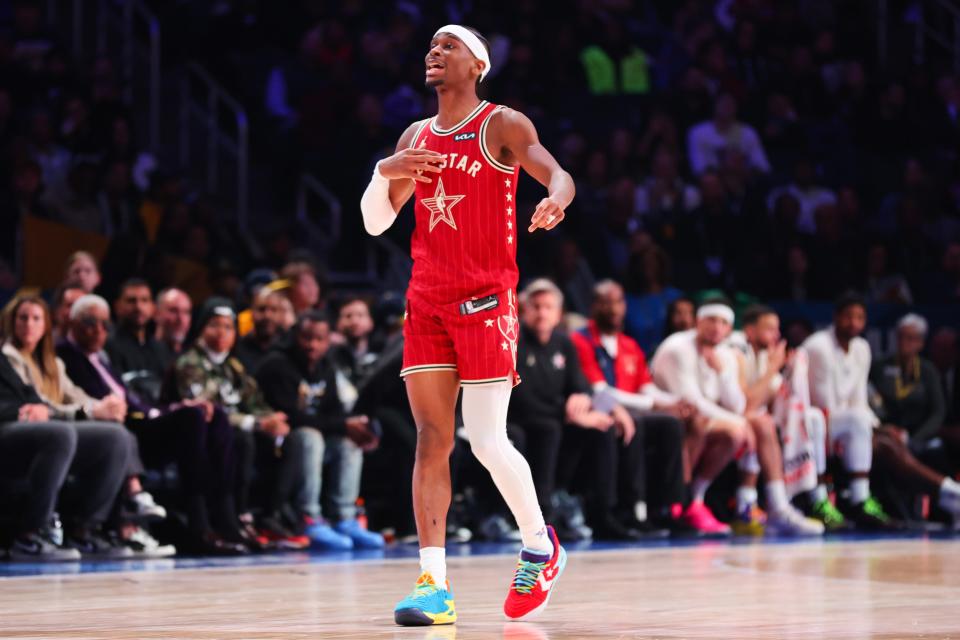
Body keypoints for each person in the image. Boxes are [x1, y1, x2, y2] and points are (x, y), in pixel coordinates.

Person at [360, 24, 575, 625]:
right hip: (426, 303)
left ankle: (539, 544)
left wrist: (557, 198)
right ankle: (434, 584)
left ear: (477, 64)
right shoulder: (415, 136)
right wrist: (386, 169)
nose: (434, 52)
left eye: (447, 46)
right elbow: (377, 222)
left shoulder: (502, 124)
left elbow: (558, 174)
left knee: (485, 440)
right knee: (432, 439)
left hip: (485, 301)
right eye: (431, 46)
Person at [58, 294, 246, 556]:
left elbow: (135, 403)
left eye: (104, 323)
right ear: (72, 322)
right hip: (118, 429)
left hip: (140, 421)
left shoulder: (100, 358)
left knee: (213, 415)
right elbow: (89, 401)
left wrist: (172, 409)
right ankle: (199, 524)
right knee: (192, 419)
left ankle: (225, 518)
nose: (99, 330)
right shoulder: (66, 355)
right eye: (91, 322)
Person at [0, 297, 135, 558]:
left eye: (36, 318)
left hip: (29, 422)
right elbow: (24, 403)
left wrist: (102, 407)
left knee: (115, 436)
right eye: (23, 318)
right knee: (59, 433)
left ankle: (85, 530)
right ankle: (30, 534)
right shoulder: (9, 354)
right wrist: (20, 410)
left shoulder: (48, 362)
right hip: (9, 424)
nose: (29, 325)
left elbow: (33, 395)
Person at [513, 279, 642, 540]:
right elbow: (521, 400)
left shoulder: (564, 344)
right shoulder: (515, 343)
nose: (542, 313)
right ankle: (543, 515)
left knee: (603, 427)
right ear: (524, 310)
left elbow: (584, 386)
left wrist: (596, 404)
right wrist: (571, 413)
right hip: (524, 419)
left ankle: (604, 513)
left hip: (560, 419)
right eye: (536, 306)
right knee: (549, 430)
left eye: (548, 307)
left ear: (559, 313)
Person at [172, 298, 304, 550]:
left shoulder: (233, 367)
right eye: (214, 325)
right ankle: (235, 515)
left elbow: (255, 401)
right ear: (201, 328)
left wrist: (272, 420)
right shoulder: (189, 363)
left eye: (228, 327)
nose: (222, 332)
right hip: (201, 438)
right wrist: (256, 423)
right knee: (243, 439)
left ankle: (270, 516)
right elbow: (205, 410)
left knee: (292, 439)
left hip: (237, 432)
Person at [568, 281, 691, 534]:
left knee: (670, 425)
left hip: (630, 412)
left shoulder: (629, 345)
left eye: (618, 301)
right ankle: (625, 509)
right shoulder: (580, 340)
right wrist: (654, 404)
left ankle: (666, 508)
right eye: (606, 302)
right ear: (594, 306)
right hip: (596, 411)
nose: (613, 308)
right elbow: (601, 390)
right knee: (632, 425)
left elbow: (645, 387)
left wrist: (671, 402)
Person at [255, 311, 384, 550]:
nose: (312, 345)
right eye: (307, 338)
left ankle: (344, 517)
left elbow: (334, 412)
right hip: (278, 444)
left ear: (328, 341)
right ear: (295, 336)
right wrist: (341, 424)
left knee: (349, 441)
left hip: (316, 444)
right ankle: (308, 517)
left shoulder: (326, 366)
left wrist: (356, 426)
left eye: (319, 339)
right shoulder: (277, 364)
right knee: (310, 437)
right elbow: (291, 416)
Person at [650, 300, 754, 535]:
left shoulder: (725, 355)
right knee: (702, 423)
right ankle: (678, 501)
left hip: (696, 417)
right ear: (698, 321)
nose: (717, 327)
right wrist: (740, 423)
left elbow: (737, 406)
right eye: (711, 320)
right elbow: (691, 401)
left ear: (729, 329)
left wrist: (724, 374)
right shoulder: (678, 348)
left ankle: (696, 499)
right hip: (664, 415)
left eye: (724, 323)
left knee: (733, 434)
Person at [733, 305, 828, 534]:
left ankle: (817, 495)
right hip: (722, 416)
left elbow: (775, 402)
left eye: (777, 329)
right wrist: (775, 367)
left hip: (749, 417)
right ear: (750, 330)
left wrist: (789, 374)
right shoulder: (736, 351)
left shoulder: (765, 354)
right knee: (761, 422)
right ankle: (769, 505)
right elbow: (747, 404)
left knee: (811, 417)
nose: (776, 336)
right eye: (769, 329)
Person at [802, 293, 895, 529]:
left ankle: (860, 500)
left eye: (859, 318)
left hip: (841, 421)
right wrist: (857, 428)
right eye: (848, 317)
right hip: (809, 420)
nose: (853, 323)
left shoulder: (862, 348)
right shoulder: (818, 346)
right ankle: (819, 501)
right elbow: (824, 402)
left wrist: (875, 427)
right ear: (835, 318)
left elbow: (859, 397)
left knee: (866, 423)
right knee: (848, 420)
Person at [869, 313, 960, 522]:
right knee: (885, 453)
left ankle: (946, 513)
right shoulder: (880, 368)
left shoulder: (928, 371)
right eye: (900, 337)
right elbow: (871, 403)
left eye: (910, 338)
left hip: (921, 437)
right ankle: (895, 515)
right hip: (887, 433)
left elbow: (938, 412)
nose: (904, 343)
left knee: (936, 451)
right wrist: (885, 427)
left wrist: (914, 439)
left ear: (920, 343)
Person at [104, 279, 167, 406]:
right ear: (117, 306)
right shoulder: (107, 344)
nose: (138, 307)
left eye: (144, 300)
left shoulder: (161, 348)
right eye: (131, 301)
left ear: (153, 308)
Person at [234, 287, 286, 374]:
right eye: (261, 309)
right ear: (251, 312)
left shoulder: (290, 347)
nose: (267, 316)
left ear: (281, 314)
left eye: (274, 310)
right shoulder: (238, 349)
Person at [154, 288, 192, 369]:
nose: (181, 319)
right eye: (173, 311)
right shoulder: (144, 356)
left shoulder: (193, 360)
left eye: (186, 312)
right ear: (156, 313)